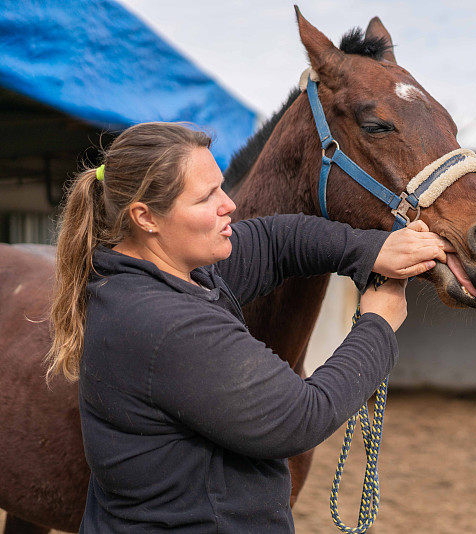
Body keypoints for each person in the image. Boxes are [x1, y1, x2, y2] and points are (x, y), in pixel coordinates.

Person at [45, 122, 452, 533]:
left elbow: (276, 240)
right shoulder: (165, 324)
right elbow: (300, 417)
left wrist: (373, 249)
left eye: (221, 187)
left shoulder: (173, 271)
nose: (230, 205)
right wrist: (377, 325)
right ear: (146, 217)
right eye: (206, 198)